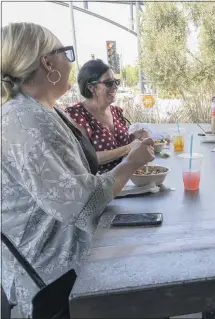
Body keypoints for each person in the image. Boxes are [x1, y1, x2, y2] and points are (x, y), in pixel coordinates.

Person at [1, 22, 155, 317]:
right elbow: (81, 205)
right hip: (55, 273)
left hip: (72, 254)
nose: (72, 63)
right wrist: (131, 163)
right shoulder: (25, 120)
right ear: (47, 62)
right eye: (66, 53)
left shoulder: (45, 110)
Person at [66, 59, 149, 174]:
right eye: (109, 83)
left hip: (129, 176)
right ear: (92, 88)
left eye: (116, 82)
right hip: (102, 183)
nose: (115, 87)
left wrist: (135, 136)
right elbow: (86, 158)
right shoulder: (77, 115)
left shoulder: (116, 111)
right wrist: (129, 147)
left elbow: (117, 144)